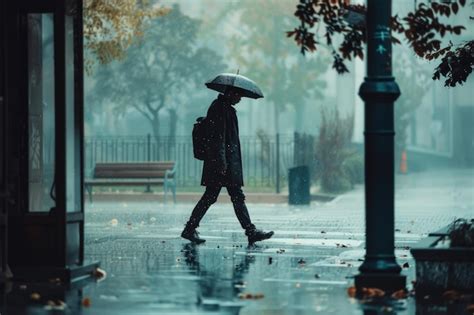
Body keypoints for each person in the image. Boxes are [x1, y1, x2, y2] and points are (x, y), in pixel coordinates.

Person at [181, 88, 274, 245]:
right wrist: (222, 163)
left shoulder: (223, 108)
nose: (240, 98)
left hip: (223, 162)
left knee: (216, 196)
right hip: (222, 163)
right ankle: (250, 231)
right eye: (239, 95)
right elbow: (218, 138)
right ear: (231, 93)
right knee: (223, 196)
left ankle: (190, 229)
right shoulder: (219, 108)